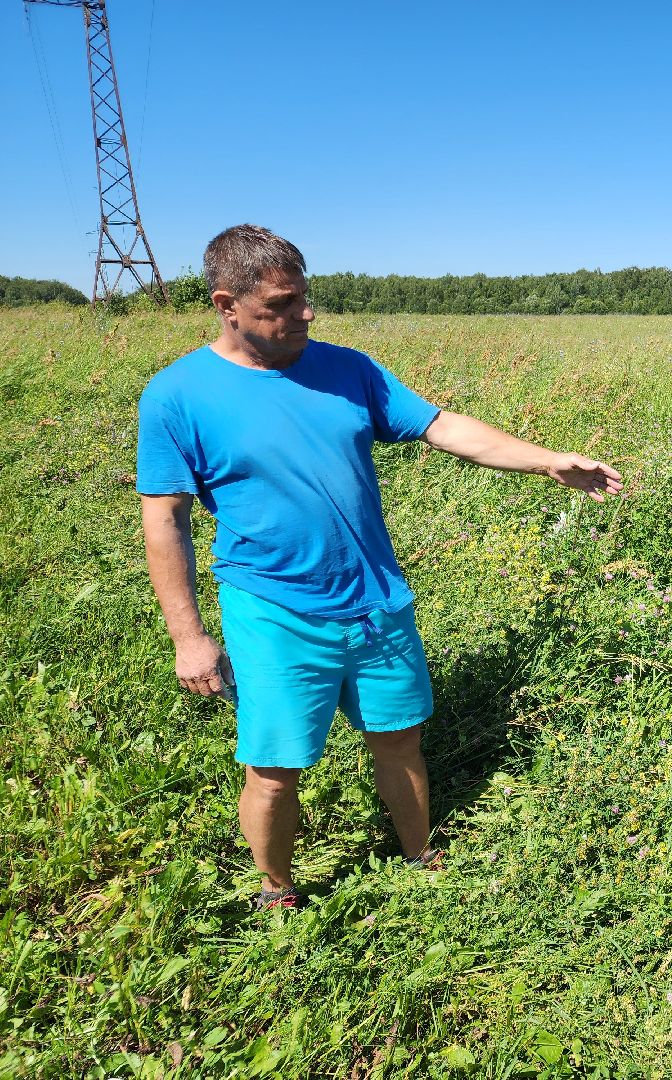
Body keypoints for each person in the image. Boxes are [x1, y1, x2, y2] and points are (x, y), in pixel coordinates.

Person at [137, 224, 622, 910]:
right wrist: (189, 637)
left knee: (400, 744)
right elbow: (166, 520)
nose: (305, 313)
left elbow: (444, 427)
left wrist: (547, 459)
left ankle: (421, 858)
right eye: (282, 303)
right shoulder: (176, 395)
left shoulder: (349, 369)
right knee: (274, 771)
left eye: (306, 297)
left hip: (377, 605)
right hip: (273, 611)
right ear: (227, 304)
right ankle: (278, 892)